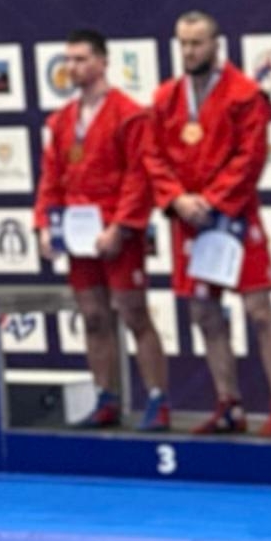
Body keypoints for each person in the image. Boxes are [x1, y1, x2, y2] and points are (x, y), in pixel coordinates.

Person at [146, 10, 271, 439]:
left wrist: (213, 200)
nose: (190, 51)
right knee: (205, 314)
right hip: (189, 221)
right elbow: (152, 157)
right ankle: (229, 405)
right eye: (184, 43)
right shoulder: (165, 98)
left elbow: (250, 158)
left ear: (216, 44)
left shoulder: (245, 94)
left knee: (259, 312)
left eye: (197, 43)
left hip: (236, 216)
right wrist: (176, 199)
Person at [35, 30, 168, 428]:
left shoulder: (128, 113)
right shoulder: (62, 121)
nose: (72, 67)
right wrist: (45, 225)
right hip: (78, 235)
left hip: (116, 234)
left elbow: (139, 175)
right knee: (92, 316)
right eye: (68, 60)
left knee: (134, 315)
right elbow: (51, 178)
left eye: (80, 59)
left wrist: (121, 227)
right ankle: (105, 397)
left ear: (102, 61)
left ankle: (158, 400)